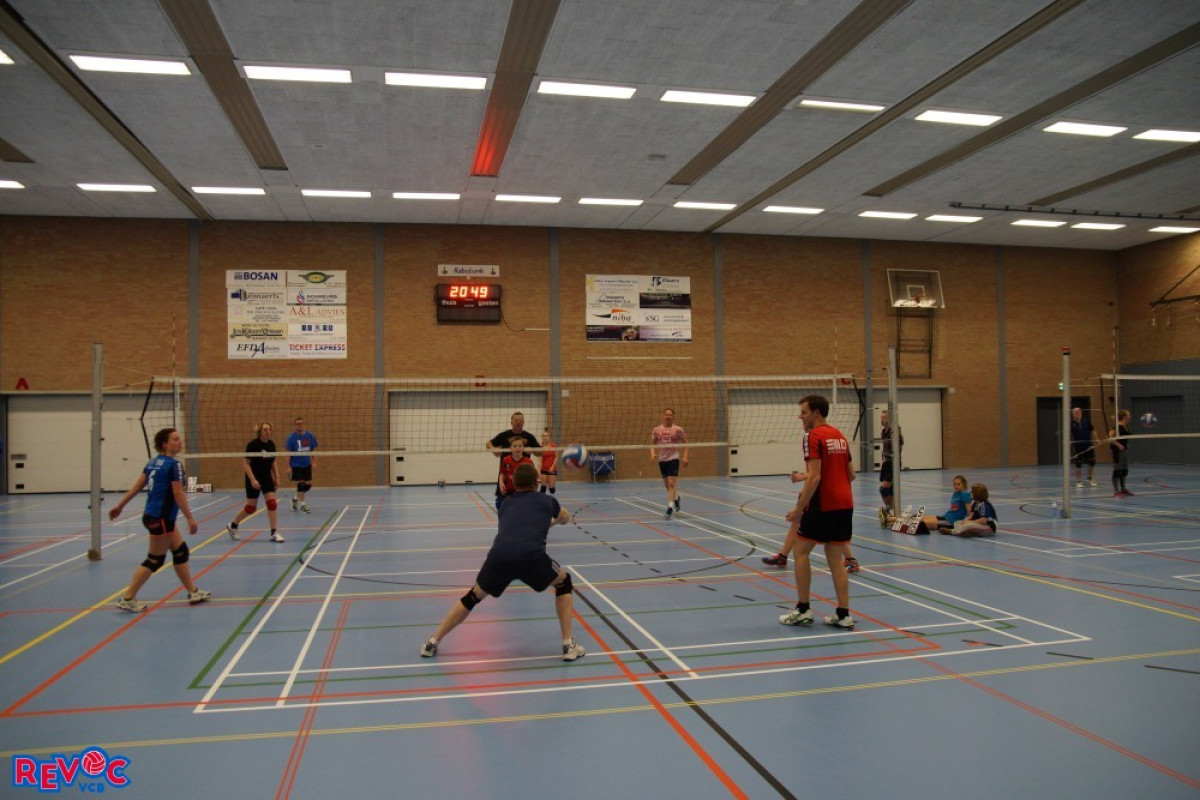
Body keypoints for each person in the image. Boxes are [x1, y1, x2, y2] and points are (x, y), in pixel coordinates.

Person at [420, 462, 585, 662]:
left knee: (473, 596)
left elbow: (523, 527)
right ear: (537, 481)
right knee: (564, 582)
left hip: (500, 556)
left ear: (514, 483)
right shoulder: (548, 501)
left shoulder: (506, 504)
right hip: (531, 556)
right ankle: (568, 645)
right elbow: (564, 518)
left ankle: (432, 641)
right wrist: (559, 519)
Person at [107, 427, 211, 612]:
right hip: (160, 518)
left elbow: (137, 487)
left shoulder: (153, 462)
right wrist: (190, 518)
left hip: (156, 516)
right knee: (155, 560)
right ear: (165, 444)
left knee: (180, 552)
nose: (180, 442)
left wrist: (120, 506)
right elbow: (178, 493)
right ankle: (127, 598)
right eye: (175, 439)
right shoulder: (174, 465)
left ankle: (193, 591)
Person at [778, 394, 857, 630]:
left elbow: (815, 477)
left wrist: (798, 509)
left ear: (816, 413)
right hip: (845, 503)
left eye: (803, 412)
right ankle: (843, 614)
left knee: (800, 551)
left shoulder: (812, 437)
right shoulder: (840, 436)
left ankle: (803, 610)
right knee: (835, 558)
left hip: (823, 504)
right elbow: (851, 475)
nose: (800, 416)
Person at [761, 470, 861, 573]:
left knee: (831, 532)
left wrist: (802, 477)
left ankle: (850, 560)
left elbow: (821, 473)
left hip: (824, 496)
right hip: (817, 493)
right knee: (797, 523)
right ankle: (783, 556)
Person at [228, 422, 284, 543]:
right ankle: (233, 525)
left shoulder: (271, 444)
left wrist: (277, 476)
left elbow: (273, 461)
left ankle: (274, 533)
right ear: (259, 432)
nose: (267, 431)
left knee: (272, 503)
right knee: (251, 508)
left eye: (269, 429)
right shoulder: (253, 445)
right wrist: (253, 479)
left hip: (266, 477)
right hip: (253, 477)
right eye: (265, 429)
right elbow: (246, 464)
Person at [882, 474, 971, 533]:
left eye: (958, 484)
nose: (956, 486)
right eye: (954, 484)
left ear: (963, 485)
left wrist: (967, 522)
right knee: (918, 517)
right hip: (945, 517)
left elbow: (969, 512)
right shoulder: (956, 494)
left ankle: (888, 522)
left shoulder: (965, 494)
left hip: (950, 522)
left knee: (919, 523)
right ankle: (889, 519)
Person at [650, 407, 689, 519]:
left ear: (673, 416)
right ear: (664, 416)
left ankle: (669, 508)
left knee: (671, 483)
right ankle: (676, 498)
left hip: (673, 459)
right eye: (666, 415)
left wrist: (685, 456)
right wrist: (652, 453)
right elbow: (652, 444)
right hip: (662, 460)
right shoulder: (657, 430)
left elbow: (686, 444)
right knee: (667, 486)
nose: (668, 416)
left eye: (670, 415)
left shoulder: (678, 430)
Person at [286, 416, 318, 513]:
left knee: (308, 485)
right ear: (295, 425)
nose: (300, 425)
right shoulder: (292, 438)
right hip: (296, 464)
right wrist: (288, 466)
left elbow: (313, 449)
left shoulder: (310, 436)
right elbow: (288, 453)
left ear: (303, 424)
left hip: (307, 464)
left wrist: (314, 461)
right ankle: (303, 505)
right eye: (297, 424)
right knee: (301, 484)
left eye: (301, 423)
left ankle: (295, 499)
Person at [877, 408, 903, 525]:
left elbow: (900, 443)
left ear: (890, 419)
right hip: (886, 462)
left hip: (893, 463)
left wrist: (893, 441)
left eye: (884, 417)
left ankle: (888, 509)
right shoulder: (884, 431)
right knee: (889, 490)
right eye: (881, 417)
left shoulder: (895, 430)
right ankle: (891, 513)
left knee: (884, 488)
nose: (882, 419)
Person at [496, 437, 535, 509]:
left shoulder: (528, 461)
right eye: (515, 446)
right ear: (510, 448)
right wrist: (501, 482)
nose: (517, 448)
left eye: (520, 446)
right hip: (510, 492)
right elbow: (503, 473)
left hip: (524, 492)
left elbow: (533, 479)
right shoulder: (506, 460)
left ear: (523, 448)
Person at [1070, 406, 1100, 488]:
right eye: (1074, 413)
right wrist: (1070, 444)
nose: (1076, 414)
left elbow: (1093, 430)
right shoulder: (1071, 423)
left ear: (1081, 413)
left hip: (1088, 445)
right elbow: (1069, 434)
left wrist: (1096, 439)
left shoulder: (1086, 421)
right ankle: (1078, 481)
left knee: (1092, 461)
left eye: (1078, 412)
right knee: (1078, 463)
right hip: (1078, 446)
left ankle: (1089, 478)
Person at [1109, 409, 1133, 497]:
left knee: (1124, 470)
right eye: (1128, 415)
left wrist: (1125, 445)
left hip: (1124, 450)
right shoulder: (1117, 426)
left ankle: (1123, 489)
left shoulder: (1126, 426)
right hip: (1116, 451)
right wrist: (1118, 445)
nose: (1130, 416)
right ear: (1124, 417)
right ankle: (1116, 491)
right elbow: (1110, 438)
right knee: (1117, 471)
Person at [539, 427, 558, 494]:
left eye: (547, 436)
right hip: (543, 469)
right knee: (543, 488)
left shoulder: (553, 446)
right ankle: (542, 500)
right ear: (542, 437)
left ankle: (552, 498)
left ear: (549, 437)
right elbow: (540, 460)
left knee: (551, 489)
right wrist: (539, 471)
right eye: (544, 436)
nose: (545, 437)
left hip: (552, 469)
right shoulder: (540, 447)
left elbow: (556, 457)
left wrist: (552, 467)